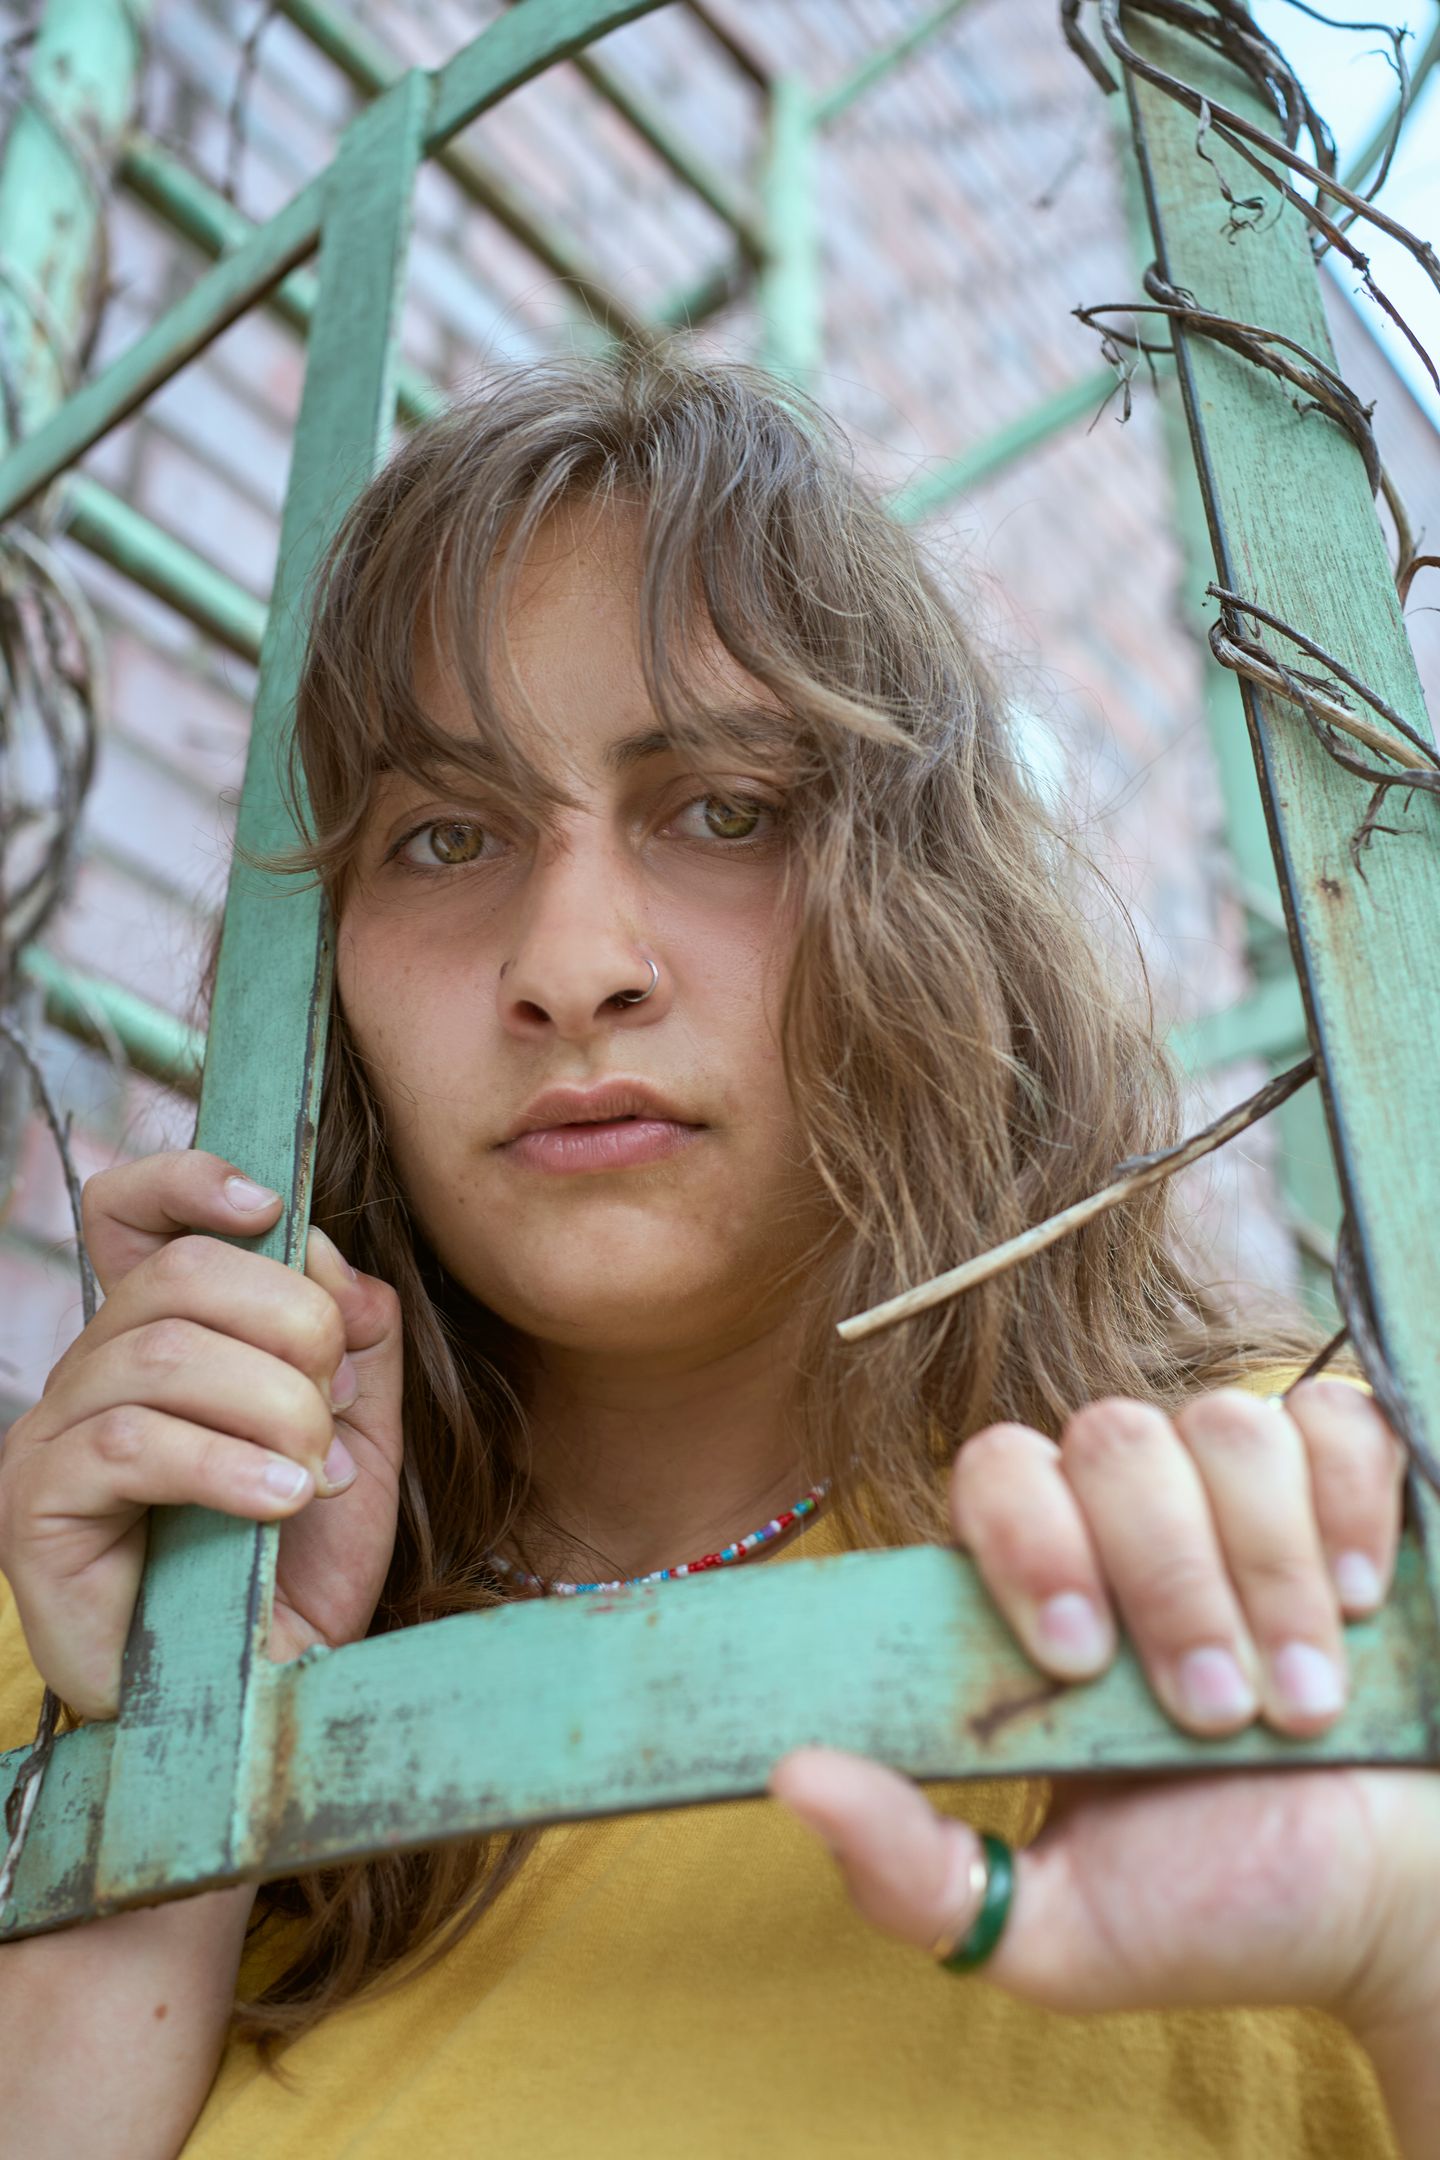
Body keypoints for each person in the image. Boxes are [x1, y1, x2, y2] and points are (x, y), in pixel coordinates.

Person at [0, 347, 1433, 2159]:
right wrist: (159, 1791)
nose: (571, 964)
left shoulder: (1285, 1536)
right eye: (445, 836)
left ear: (930, 898)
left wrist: (1404, 1946)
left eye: (723, 810)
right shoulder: (109, 1611)